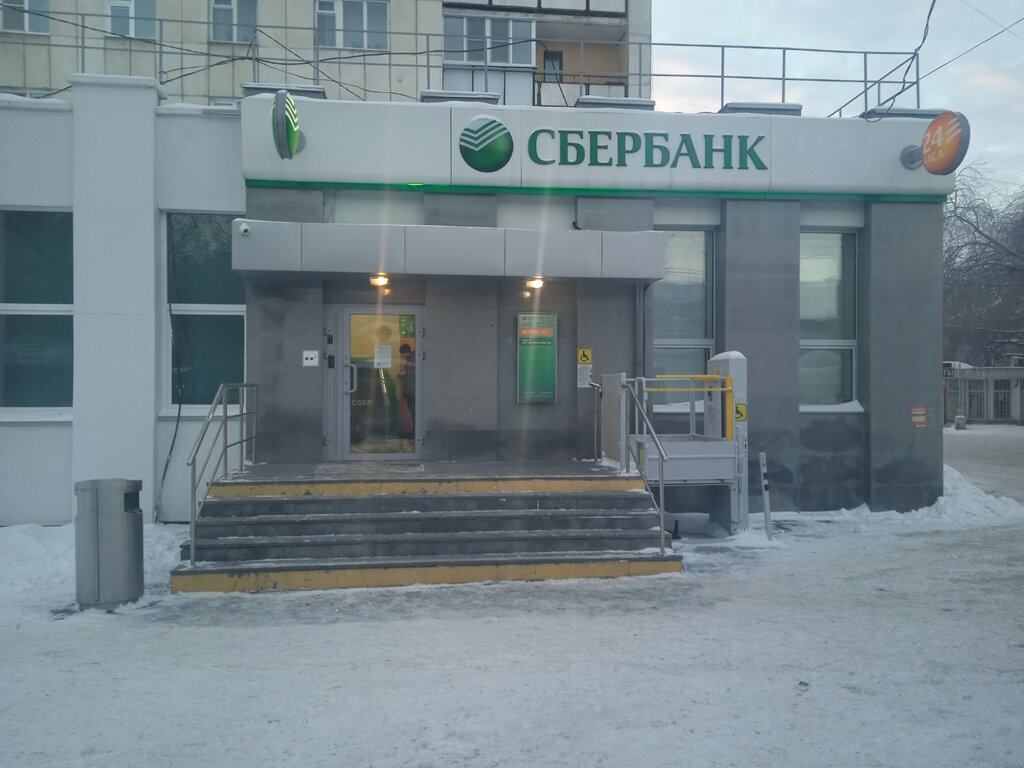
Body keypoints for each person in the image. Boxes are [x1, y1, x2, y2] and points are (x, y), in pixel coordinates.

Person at [398, 343, 416, 438]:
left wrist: (404, 375)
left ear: (405, 352)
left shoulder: (413, 360)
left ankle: (415, 434)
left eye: (402, 354)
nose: (402, 356)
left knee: (414, 413)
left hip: (412, 392)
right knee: (413, 413)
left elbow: (412, 376)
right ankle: (414, 432)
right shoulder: (411, 360)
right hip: (411, 391)